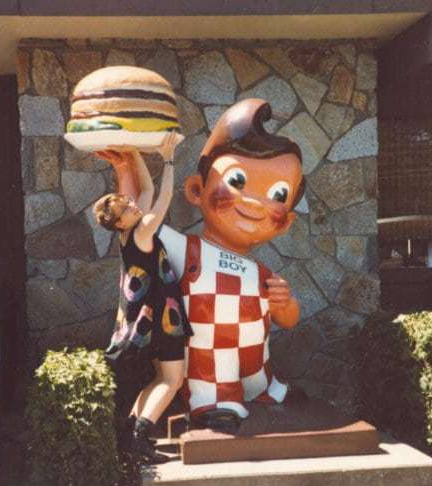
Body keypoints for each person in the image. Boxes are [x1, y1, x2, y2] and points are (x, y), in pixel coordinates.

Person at [108, 99, 306, 428]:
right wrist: (125, 168)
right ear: (196, 190)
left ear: (284, 222)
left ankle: (260, 386)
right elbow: (135, 220)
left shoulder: (259, 271)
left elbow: (288, 319)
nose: (255, 203)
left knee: (258, 371)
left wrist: (285, 303)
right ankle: (212, 399)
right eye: (238, 181)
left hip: (257, 363)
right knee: (213, 366)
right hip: (207, 369)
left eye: (278, 195)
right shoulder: (187, 249)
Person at [93, 132, 192, 463]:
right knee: (173, 379)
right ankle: (138, 439)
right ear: (121, 220)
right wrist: (167, 159)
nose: (133, 202)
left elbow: (146, 190)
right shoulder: (143, 231)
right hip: (163, 317)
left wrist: (134, 152)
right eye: (127, 206)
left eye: (128, 202)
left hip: (149, 319)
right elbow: (162, 196)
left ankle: (131, 438)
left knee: (160, 377)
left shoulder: (127, 234)